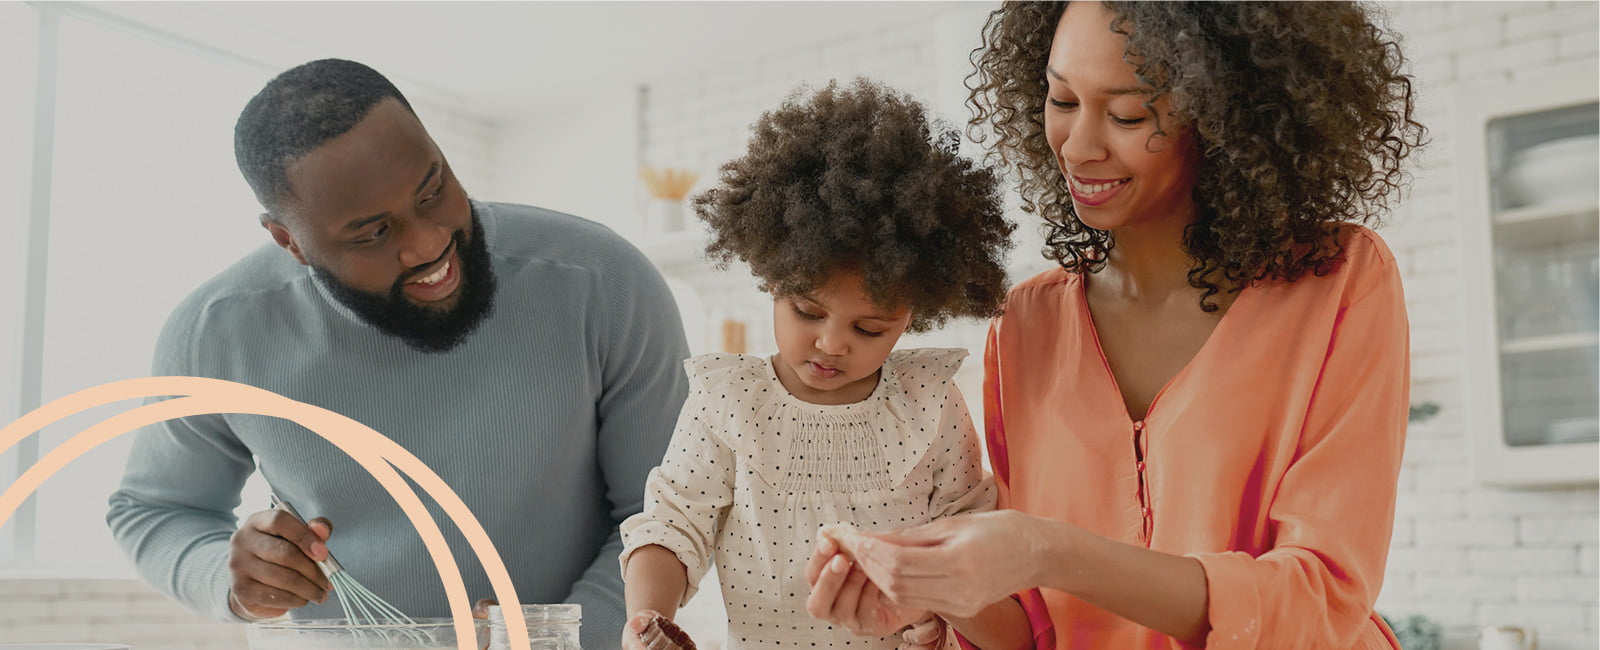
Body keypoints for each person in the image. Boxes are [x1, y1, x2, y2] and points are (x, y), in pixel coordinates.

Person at [806, 2, 1427, 648]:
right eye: (1062, 99)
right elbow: (1034, 631)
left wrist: (1047, 550)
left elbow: (1320, 600)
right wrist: (932, 599)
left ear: (1223, 113)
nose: (1077, 146)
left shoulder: (1339, 283)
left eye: (1127, 113)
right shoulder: (1026, 325)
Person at [105, 58, 690, 649]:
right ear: (290, 241)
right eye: (372, 233)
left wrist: (546, 641)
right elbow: (154, 510)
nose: (429, 243)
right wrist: (230, 580)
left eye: (433, 190)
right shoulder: (215, 334)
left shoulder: (603, 283)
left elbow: (667, 519)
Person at [616, 78, 1015, 650]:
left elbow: (971, 550)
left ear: (914, 314)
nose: (831, 344)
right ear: (772, 279)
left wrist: (937, 612)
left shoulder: (928, 403)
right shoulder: (728, 399)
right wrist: (648, 620)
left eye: (868, 328)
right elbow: (673, 524)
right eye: (807, 311)